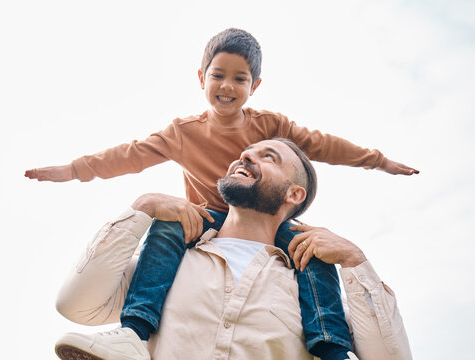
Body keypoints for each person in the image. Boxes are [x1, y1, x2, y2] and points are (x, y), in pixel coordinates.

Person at [25, 28, 418, 359]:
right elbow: (129, 155)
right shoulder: (182, 133)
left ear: (255, 85)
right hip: (202, 222)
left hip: (271, 227)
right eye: (218, 75)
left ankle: (332, 351)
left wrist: (377, 160)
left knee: (311, 252)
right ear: (201, 78)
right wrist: (74, 170)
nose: (227, 86)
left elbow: (323, 145)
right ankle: (134, 333)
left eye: (240, 78)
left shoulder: (272, 125)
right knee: (169, 222)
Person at [54, 138, 413, 360]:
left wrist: (355, 261)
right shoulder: (165, 266)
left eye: (268, 157)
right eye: (245, 153)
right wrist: (142, 208)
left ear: (294, 194)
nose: (245, 157)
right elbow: (75, 304)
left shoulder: (317, 296)